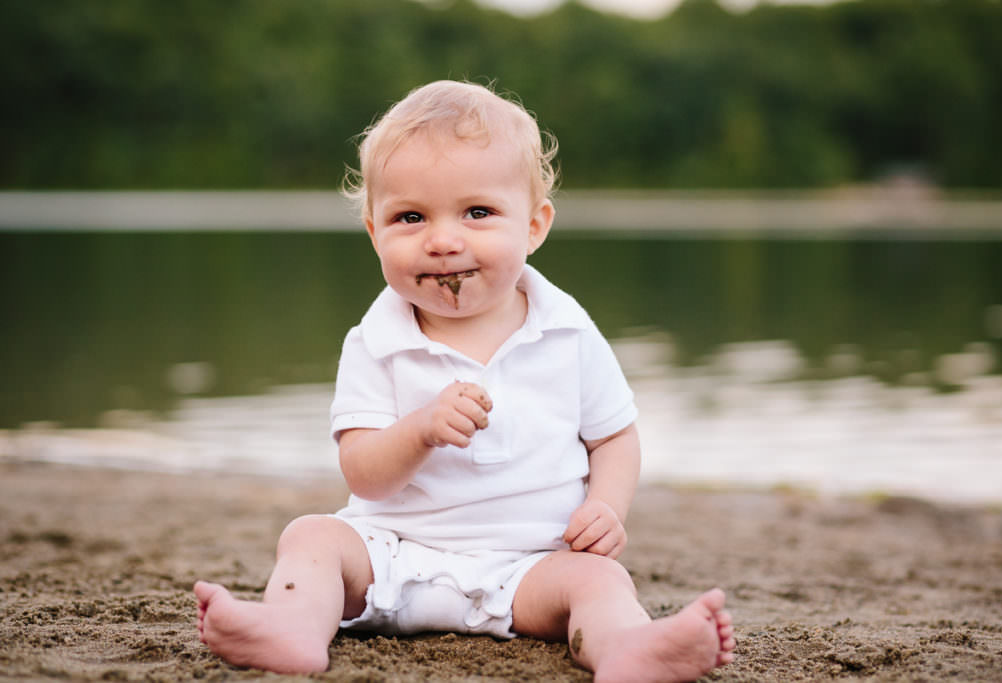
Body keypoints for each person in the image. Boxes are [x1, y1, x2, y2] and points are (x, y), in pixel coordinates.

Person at [193, 80, 735, 681]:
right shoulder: (376, 340)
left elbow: (614, 437)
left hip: (529, 566)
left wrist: (607, 506)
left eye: (478, 213)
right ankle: (289, 631)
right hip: (389, 558)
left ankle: (628, 650)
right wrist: (421, 428)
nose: (444, 241)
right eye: (410, 217)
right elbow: (362, 474)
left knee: (601, 579)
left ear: (533, 226)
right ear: (375, 233)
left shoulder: (567, 331)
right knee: (311, 538)